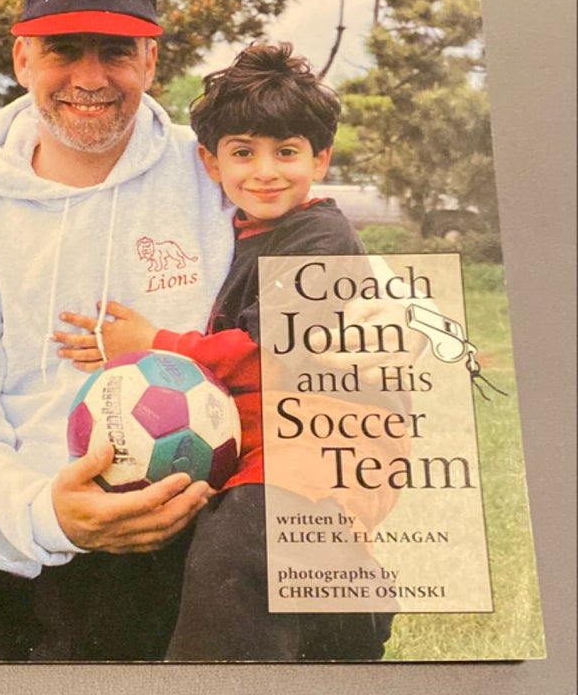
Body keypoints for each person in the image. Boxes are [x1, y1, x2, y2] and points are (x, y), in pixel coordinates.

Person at [0, 0, 236, 661]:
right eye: (62, 50)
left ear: (150, 61)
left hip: (198, 557)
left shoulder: (215, 182)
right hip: (21, 561)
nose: (89, 77)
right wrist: (49, 515)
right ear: (22, 60)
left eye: (115, 50)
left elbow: (316, 282)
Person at [55, 42, 401, 660]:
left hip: (326, 442)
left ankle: (355, 607)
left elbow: (276, 355)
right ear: (211, 163)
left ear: (319, 159)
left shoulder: (319, 234)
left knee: (244, 541)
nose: (265, 171)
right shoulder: (240, 231)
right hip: (264, 444)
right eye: (243, 153)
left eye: (286, 152)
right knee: (176, 554)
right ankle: (344, 617)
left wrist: (152, 343)